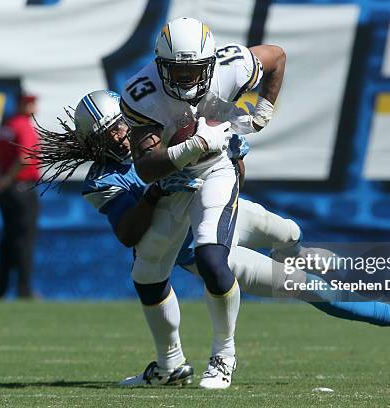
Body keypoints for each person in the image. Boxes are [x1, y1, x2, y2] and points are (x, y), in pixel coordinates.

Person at [29, 89, 390, 388]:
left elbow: (232, 176)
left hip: (225, 216)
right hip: (199, 251)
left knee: (290, 230)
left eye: (122, 126)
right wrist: (159, 189)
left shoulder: (163, 127)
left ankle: (297, 253)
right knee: (318, 295)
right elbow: (129, 233)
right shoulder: (103, 180)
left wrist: (227, 157)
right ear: (96, 142)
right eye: (111, 133)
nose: (123, 136)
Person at [119, 17, 287, 389]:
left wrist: (264, 110)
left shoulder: (232, 66)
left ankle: (223, 356)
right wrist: (192, 145)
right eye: (176, 70)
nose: (184, 79)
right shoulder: (141, 93)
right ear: (160, 65)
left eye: (193, 69)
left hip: (217, 170)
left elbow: (276, 57)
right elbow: (146, 169)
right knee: (146, 275)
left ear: (210, 63)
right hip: (172, 181)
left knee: (212, 257)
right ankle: (169, 366)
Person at [0, 92, 41, 299]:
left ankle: (0, 289)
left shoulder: (7, 126)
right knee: (24, 240)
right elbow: (25, 157)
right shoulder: (22, 125)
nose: (34, 107)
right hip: (21, 187)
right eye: (30, 103)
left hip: (6, 190)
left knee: (8, 239)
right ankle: (24, 289)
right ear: (21, 105)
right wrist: (6, 180)